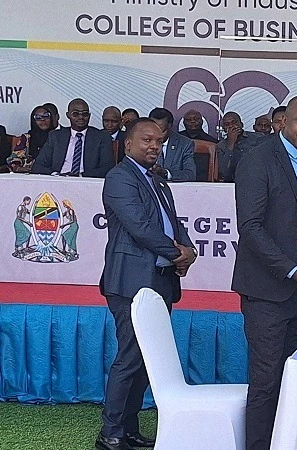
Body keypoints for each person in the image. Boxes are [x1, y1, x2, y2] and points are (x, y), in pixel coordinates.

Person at [232, 95, 297, 450]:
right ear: (283, 122)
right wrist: (292, 270)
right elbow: (250, 227)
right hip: (267, 291)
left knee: (294, 378)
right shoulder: (257, 159)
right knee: (266, 382)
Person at [97, 118, 197, 450]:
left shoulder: (158, 181)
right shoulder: (119, 178)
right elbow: (140, 227)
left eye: (159, 141)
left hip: (159, 280)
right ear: (128, 144)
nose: (154, 146)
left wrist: (187, 250)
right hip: (130, 281)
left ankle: (128, 428)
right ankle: (110, 432)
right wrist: (176, 253)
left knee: (145, 358)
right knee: (130, 356)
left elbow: (173, 224)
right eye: (146, 140)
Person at [31, 98, 114, 178]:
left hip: (87, 183)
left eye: (84, 114)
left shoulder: (101, 137)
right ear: (68, 115)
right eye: (75, 114)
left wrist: (80, 176)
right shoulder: (56, 136)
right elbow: (38, 165)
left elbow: (107, 168)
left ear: (89, 116)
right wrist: (56, 175)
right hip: (58, 181)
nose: (80, 117)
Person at [147, 108, 196, 182]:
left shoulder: (185, 144)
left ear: (170, 127)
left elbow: (190, 174)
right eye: (152, 130)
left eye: (161, 131)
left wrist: (166, 173)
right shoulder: (141, 142)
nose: (156, 135)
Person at [217, 111, 267, 183]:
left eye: (234, 122)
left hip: (258, 181)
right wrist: (231, 144)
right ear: (224, 129)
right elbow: (223, 173)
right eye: (227, 124)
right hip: (233, 183)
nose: (231, 126)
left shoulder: (258, 138)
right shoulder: (220, 146)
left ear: (241, 124)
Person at [6, 106, 57, 172]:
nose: (42, 119)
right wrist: (18, 168)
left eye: (46, 116)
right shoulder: (27, 137)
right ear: (33, 121)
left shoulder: (58, 137)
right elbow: (15, 158)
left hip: (53, 174)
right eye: (38, 117)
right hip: (30, 173)